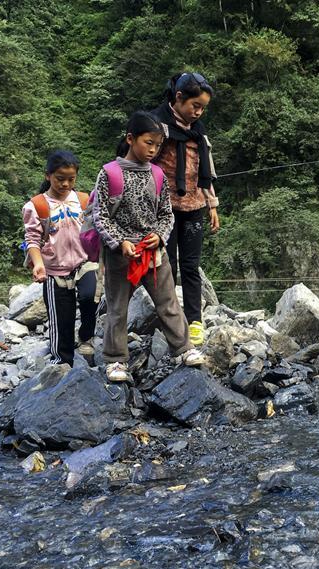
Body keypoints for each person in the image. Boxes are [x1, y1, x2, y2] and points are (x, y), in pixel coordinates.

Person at [93, 110, 205, 382]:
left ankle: (182, 348)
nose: (153, 150)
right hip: (122, 255)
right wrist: (119, 242)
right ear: (130, 139)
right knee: (118, 308)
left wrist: (158, 235)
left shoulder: (157, 175)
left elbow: (167, 214)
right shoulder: (110, 173)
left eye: (157, 145)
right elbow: (100, 215)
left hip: (152, 251)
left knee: (168, 302)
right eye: (148, 143)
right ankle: (116, 360)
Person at [153, 72, 220, 347]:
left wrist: (211, 204)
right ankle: (170, 321)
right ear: (179, 97)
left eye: (203, 107)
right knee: (167, 266)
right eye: (195, 106)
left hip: (193, 206)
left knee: (191, 267)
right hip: (163, 210)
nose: (199, 112)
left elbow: (207, 168)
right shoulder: (157, 125)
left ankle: (194, 322)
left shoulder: (198, 130)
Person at [22, 150, 99, 366]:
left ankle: (86, 336)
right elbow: (32, 239)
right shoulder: (37, 205)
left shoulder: (84, 200)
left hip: (85, 261)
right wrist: (38, 264)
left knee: (90, 296)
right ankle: (62, 362)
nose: (65, 184)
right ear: (48, 176)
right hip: (54, 269)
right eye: (60, 179)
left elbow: (96, 230)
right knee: (61, 319)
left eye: (71, 179)